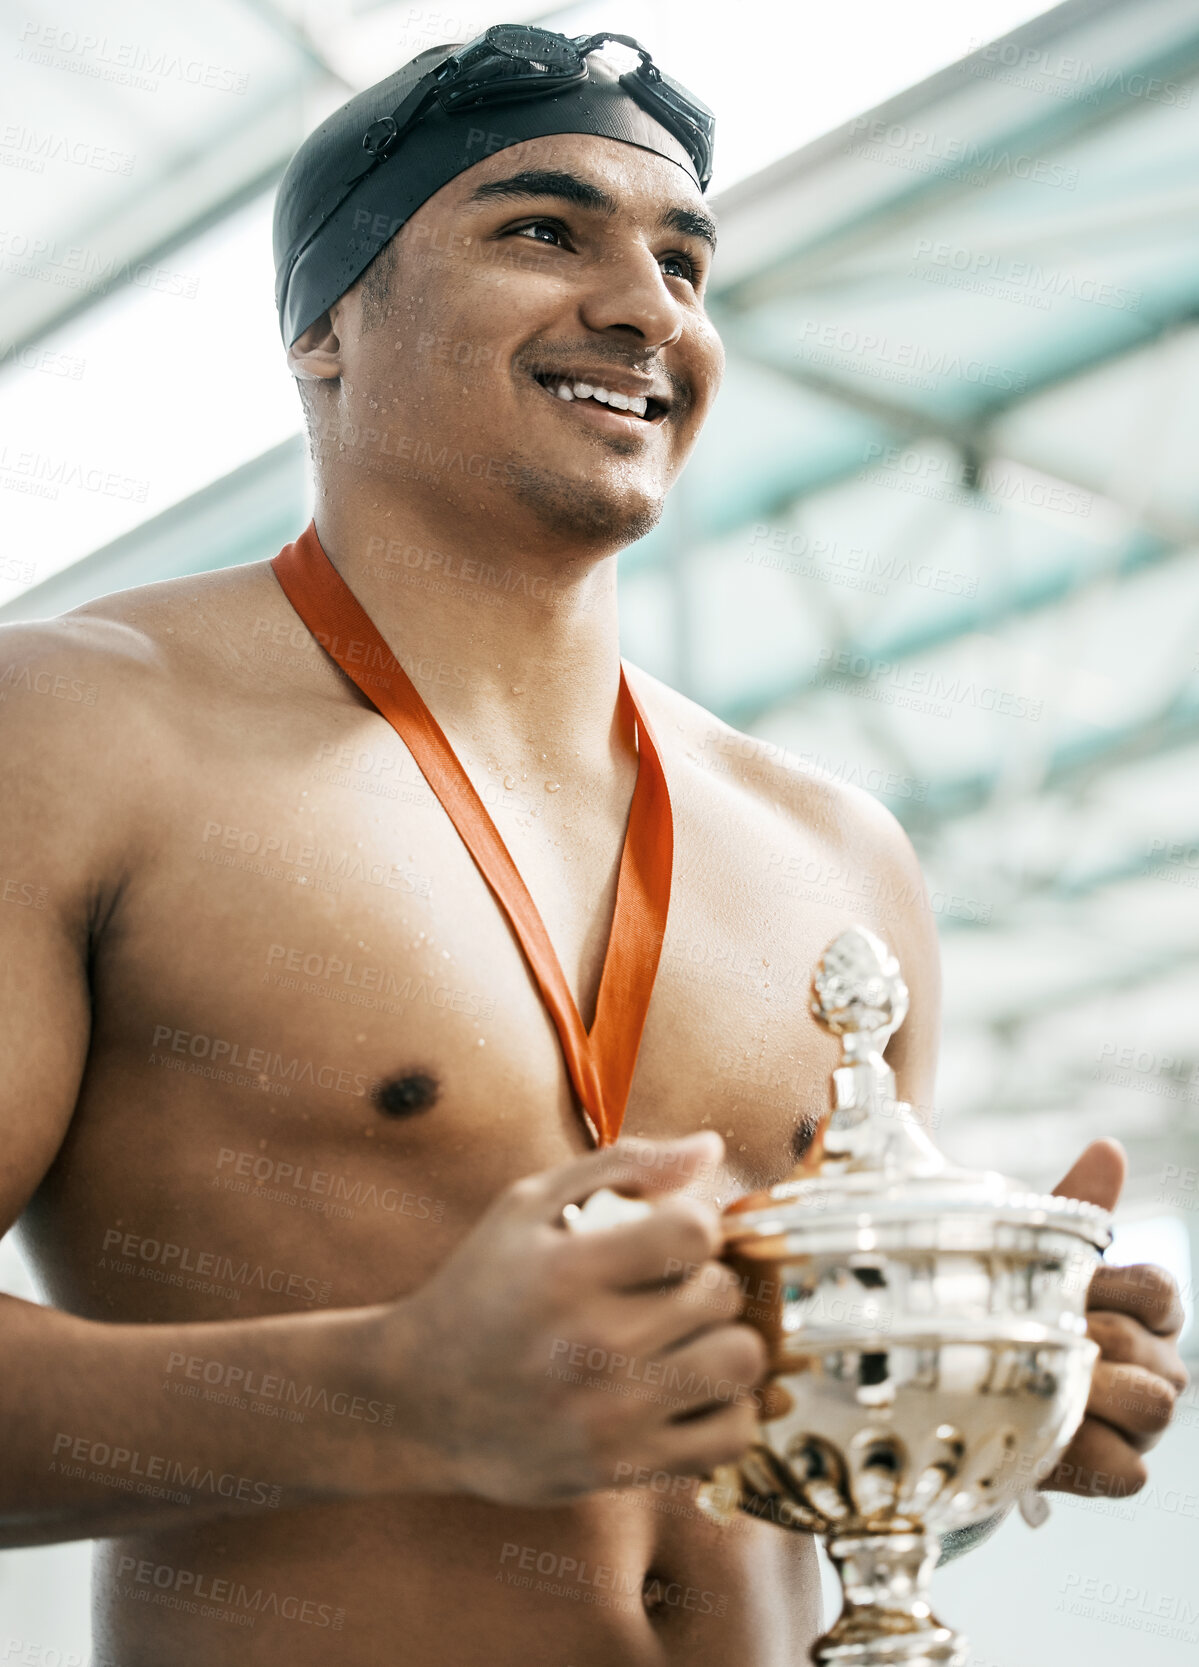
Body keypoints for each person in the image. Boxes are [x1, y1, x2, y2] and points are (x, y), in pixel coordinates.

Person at [0, 26, 1186, 1667]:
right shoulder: (75, 730)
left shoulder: (838, 853)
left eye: (684, 259)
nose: (649, 306)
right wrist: (389, 1398)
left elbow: (789, 1474)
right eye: (542, 229)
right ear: (325, 329)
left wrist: (983, 1412)